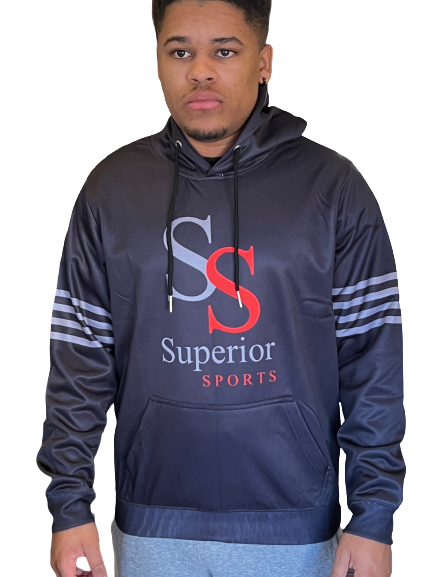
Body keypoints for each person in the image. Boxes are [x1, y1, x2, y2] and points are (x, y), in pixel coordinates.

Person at [36, 1, 405, 576]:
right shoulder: (111, 188)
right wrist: (68, 508)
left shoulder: (333, 186)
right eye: (180, 51)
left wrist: (373, 518)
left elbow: (372, 361)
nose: (200, 71)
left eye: (224, 51)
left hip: (297, 528)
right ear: (158, 61)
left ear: (264, 62)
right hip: (150, 526)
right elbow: (79, 360)